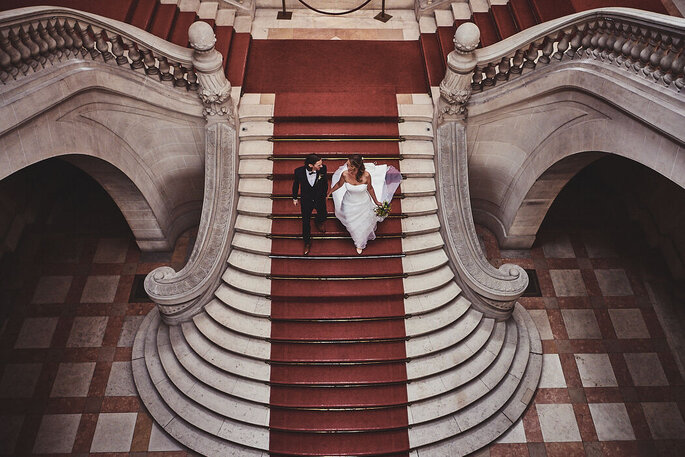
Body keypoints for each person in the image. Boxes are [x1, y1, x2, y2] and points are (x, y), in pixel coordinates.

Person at [327, 154, 400, 254]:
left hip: (363, 202)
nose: (347, 168)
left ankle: (359, 243)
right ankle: (356, 236)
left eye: (349, 166)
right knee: (351, 223)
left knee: (363, 222)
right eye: (347, 165)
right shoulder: (344, 174)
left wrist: (376, 201)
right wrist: (330, 192)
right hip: (348, 202)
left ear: (356, 166)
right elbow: (339, 184)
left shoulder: (366, 176)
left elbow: (370, 188)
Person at [292, 154, 328, 255]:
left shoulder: (323, 169)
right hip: (306, 200)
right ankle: (307, 242)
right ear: (310, 165)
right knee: (306, 222)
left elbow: (325, 182)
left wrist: (324, 194)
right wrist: (294, 197)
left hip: (319, 198)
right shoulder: (298, 171)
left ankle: (318, 221)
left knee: (323, 214)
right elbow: (295, 185)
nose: (321, 166)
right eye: (319, 165)